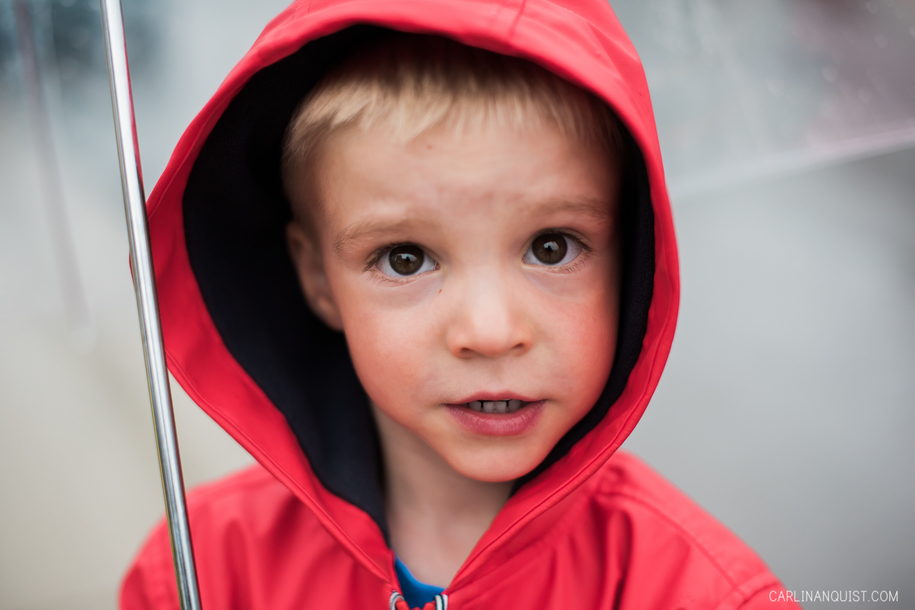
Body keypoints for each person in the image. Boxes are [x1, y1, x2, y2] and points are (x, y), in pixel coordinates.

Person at [120, 1, 800, 609]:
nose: (490, 331)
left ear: (630, 257)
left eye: (552, 247)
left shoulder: (699, 593)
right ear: (318, 276)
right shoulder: (203, 571)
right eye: (405, 258)